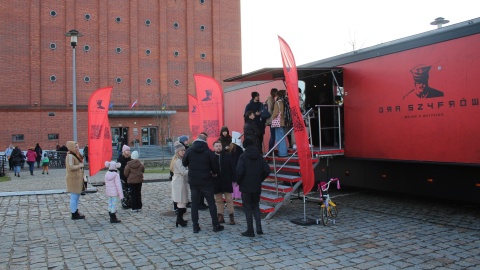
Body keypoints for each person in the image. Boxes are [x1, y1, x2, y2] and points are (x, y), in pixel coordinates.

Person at [182, 133, 224, 233]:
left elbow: (184, 163)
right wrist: (214, 173)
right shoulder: (209, 152)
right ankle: (215, 225)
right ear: (205, 141)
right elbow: (215, 167)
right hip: (206, 181)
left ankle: (195, 226)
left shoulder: (190, 151)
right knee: (211, 203)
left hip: (194, 181)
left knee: (194, 204)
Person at [236, 138, 270, 237]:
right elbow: (267, 170)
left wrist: (239, 181)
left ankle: (250, 230)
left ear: (244, 146)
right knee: (256, 206)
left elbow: (239, 172)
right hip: (256, 185)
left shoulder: (243, 156)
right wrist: (260, 179)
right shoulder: (259, 156)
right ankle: (259, 228)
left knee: (247, 208)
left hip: (246, 187)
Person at [212, 141, 236, 225]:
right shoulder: (211, 157)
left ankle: (231, 216)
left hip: (226, 180)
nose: (218, 147)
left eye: (219, 146)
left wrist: (234, 179)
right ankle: (220, 216)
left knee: (229, 199)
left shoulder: (228, 156)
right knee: (218, 200)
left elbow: (233, 168)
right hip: (216, 181)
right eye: (216, 146)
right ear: (213, 147)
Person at [65, 141, 86, 220]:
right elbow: (71, 167)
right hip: (73, 178)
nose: (77, 148)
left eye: (78, 146)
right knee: (74, 196)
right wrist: (79, 165)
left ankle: (75, 210)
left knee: (77, 196)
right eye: (75, 147)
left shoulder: (76, 154)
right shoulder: (70, 155)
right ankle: (74, 213)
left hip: (78, 178)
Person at [170, 141, 189, 227]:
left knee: (181, 201)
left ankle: (180, 219)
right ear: (178, 151)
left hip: (179, 181)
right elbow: (183, 172)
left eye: (184, 150)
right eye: (181, 150)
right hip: (179, 182)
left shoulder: (178, 159)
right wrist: (192, 170)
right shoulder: (178, 161)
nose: (183, 152)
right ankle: (179, 219)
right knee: (181, 201)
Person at [271, 91, 288, 157]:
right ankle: (283, 152)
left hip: (279, 122)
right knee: (283, 137)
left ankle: (282, 153)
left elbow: (275, 113)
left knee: (279, 138)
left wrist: (272, 118)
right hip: (284, 122)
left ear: (278, 95)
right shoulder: (286, 102)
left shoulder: (278, 102)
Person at [117, 144, 132, 209]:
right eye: (127, 151)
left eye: (129, 151)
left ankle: (130, 202)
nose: (128, 152)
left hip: (129, 177)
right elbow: (118, 167)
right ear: (124, 151)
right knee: (124, 190)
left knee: (129, 190)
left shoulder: (130, 158)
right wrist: (124, 171)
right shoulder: (120, 158)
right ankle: (124, 203)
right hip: (123, 177)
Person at [265, 88, 278, 152]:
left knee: (273, 135)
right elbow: (269, 110)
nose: (277, 93)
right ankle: (270, 150)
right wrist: (274, 115)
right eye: (276, 92)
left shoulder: (271, 98)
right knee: (273, 135)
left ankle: (271, 150)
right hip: (271, 120)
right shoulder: (270, 99)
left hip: (271, 120)